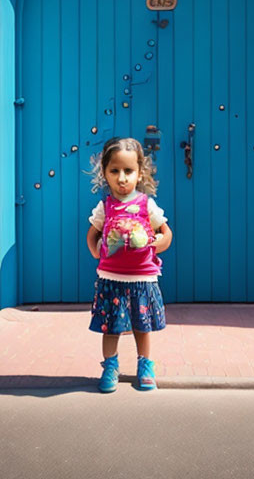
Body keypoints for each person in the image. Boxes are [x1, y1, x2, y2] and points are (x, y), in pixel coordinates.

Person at [86, 137, 173, 392]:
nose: (122, 178)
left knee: (141, 326)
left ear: (139, 173)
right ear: (104, 173)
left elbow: (167, 234)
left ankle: (145, 365)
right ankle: (110, 366)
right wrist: (96, 252)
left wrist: (154, 243)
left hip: (142, 278)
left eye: (128, 171)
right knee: (111, 327)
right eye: (115, 171)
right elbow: (92, 233)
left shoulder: (146, 204)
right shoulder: (106, 206)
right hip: (111, 278)